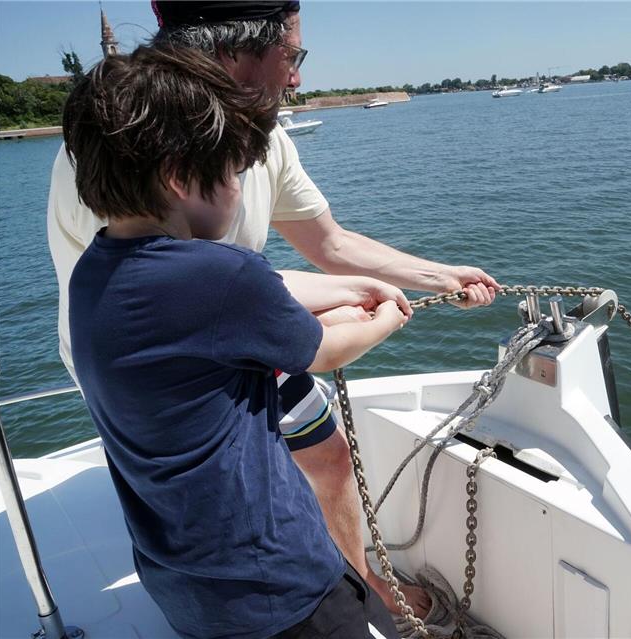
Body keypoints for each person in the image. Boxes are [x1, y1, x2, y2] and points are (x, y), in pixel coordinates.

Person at [47, 0, 500, 616]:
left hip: (238, 324)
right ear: (232, 53)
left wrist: (439, 276)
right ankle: (278, 602)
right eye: (290, 54)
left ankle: (358, 585)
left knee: (328, 458)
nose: (297, 77)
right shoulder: (120, 147)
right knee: (209, 501)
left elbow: (326, 245)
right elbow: (163, 301)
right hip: (147, 371)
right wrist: (367, 314)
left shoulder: (266, 137)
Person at [64, 45, 403, 639]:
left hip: (183, 585)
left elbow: (233, 325)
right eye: (231, 172)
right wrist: (388, 315)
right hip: (280, 582)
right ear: (178, 177)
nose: (239, 188)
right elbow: (322, 351)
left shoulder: (93, 273)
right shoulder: (222, 274)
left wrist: (350, 293)